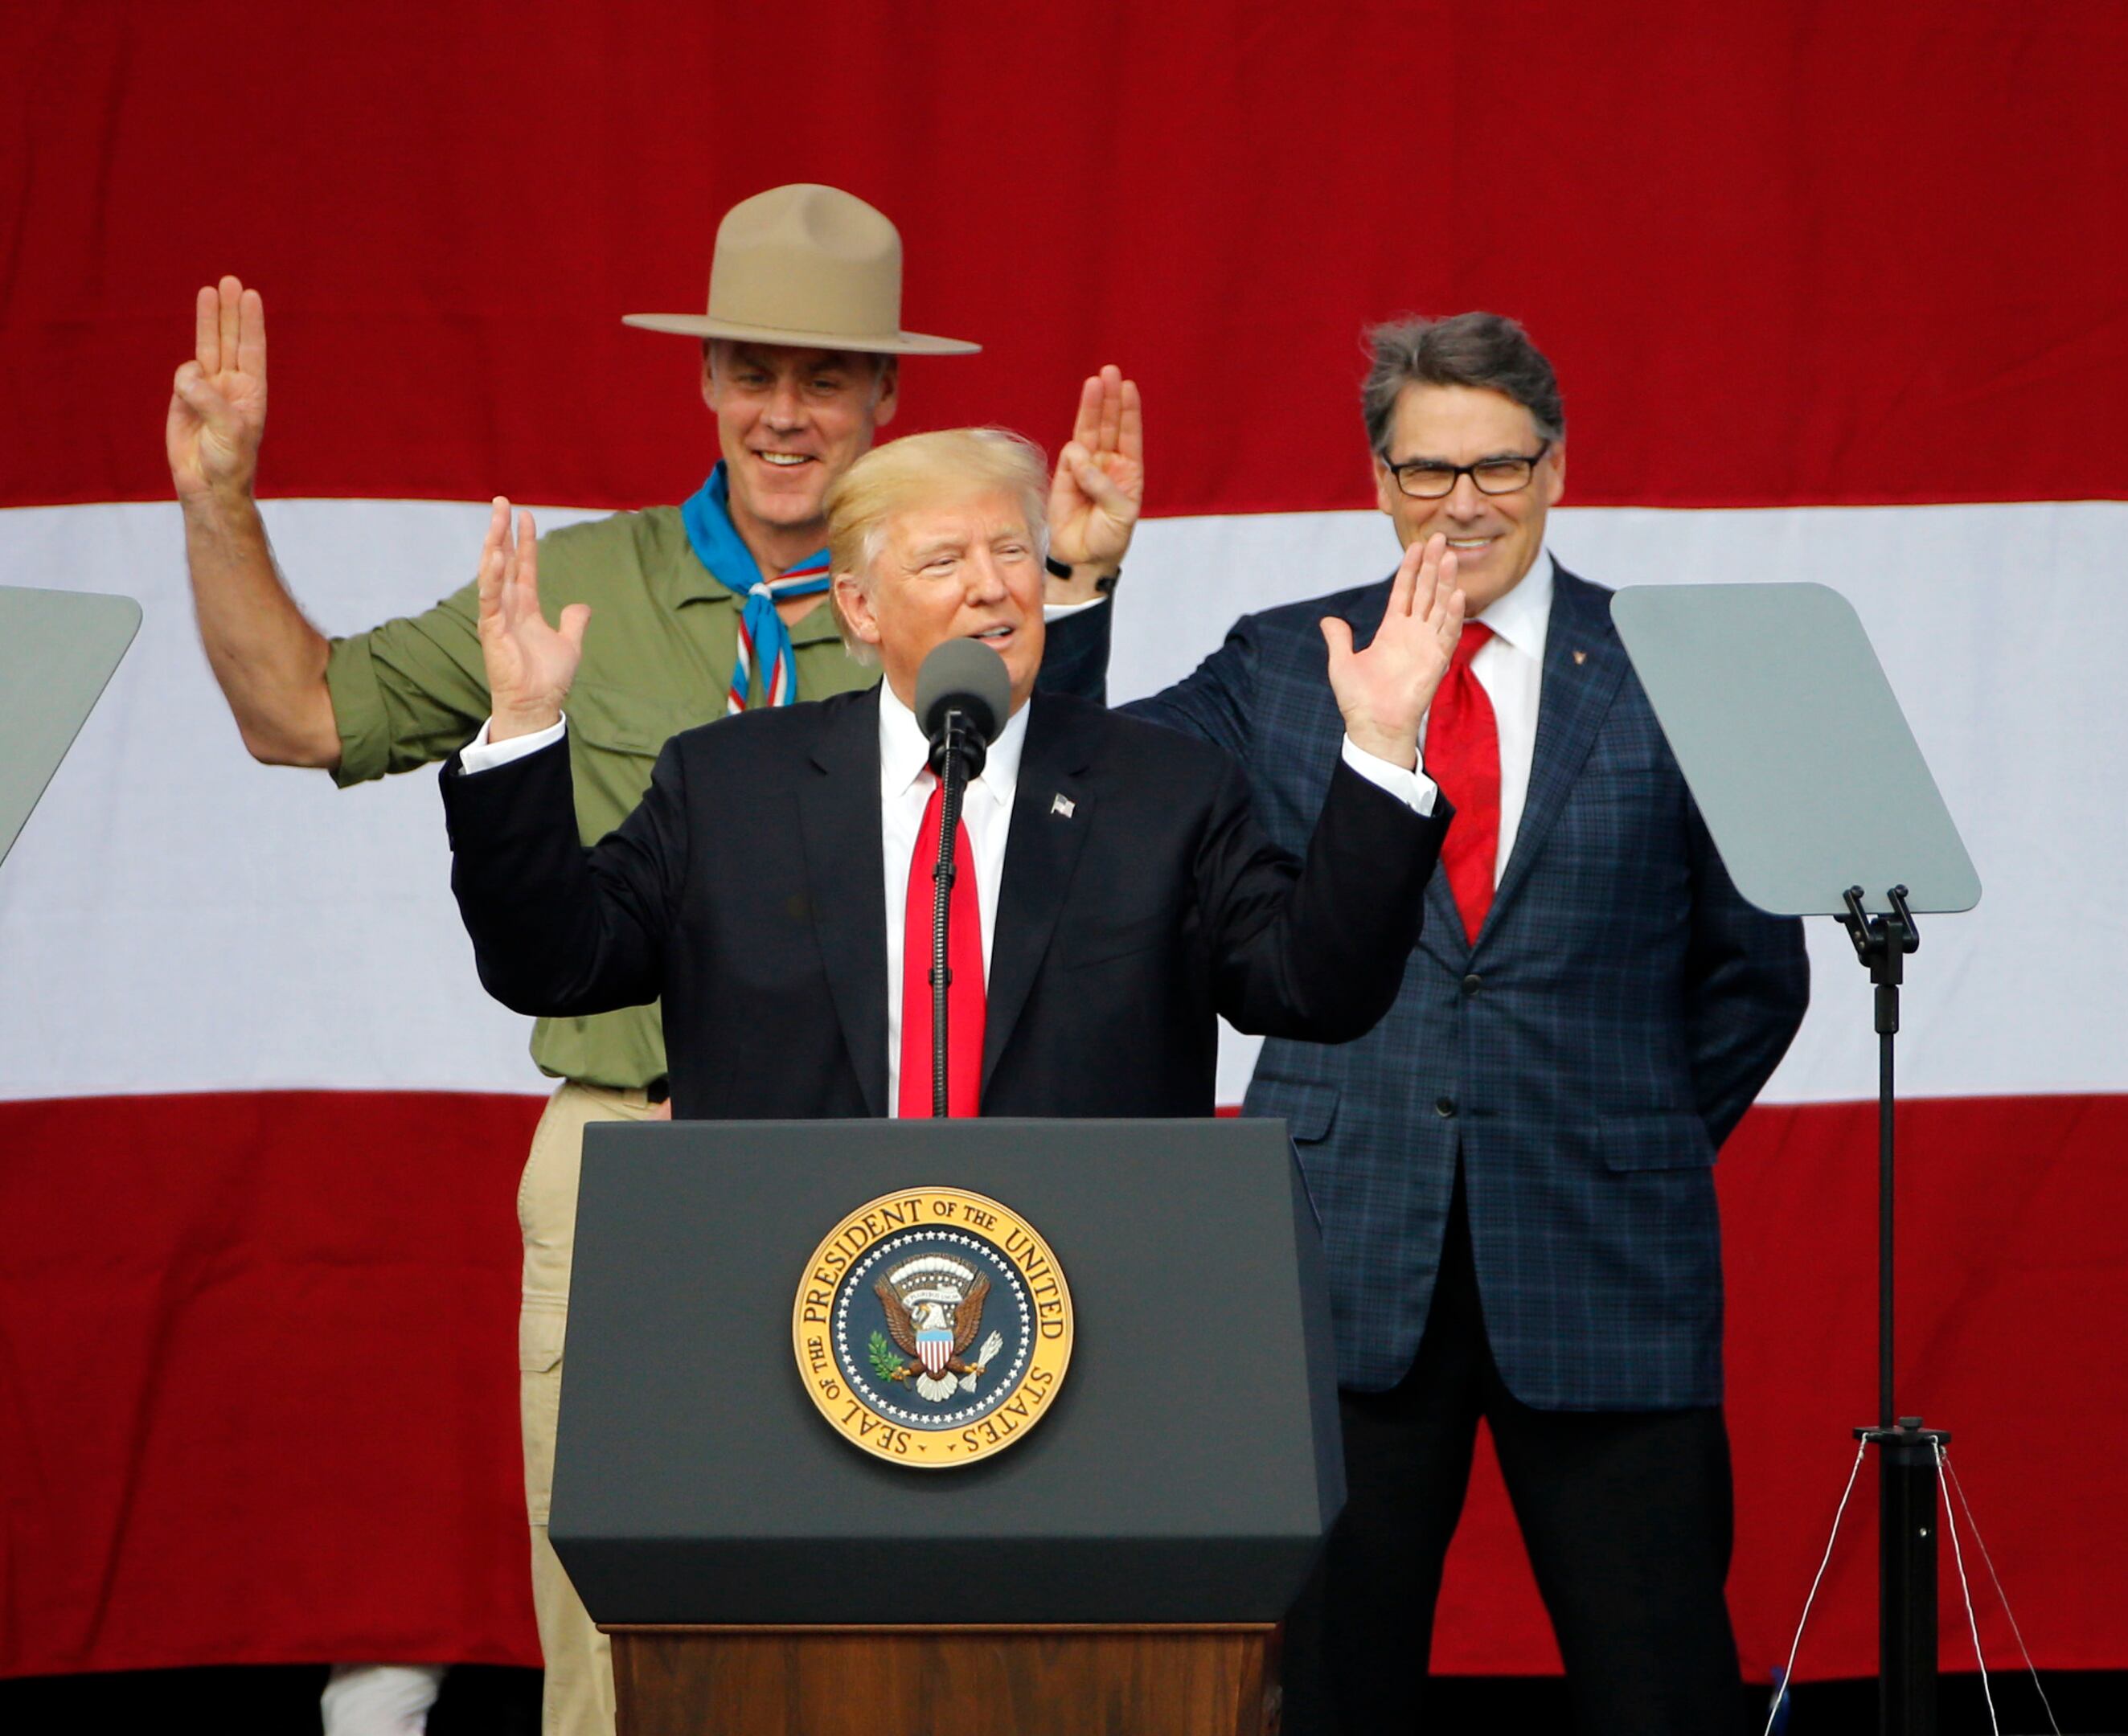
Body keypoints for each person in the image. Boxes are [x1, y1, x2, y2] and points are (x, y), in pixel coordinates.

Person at [163, 184, 1142, 1736]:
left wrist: (1078, 593)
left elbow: (1072, 840)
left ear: (888, 395)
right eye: (753, 370)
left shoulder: (950, 589)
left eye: (828, 378)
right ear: (703, 382)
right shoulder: (586, 590)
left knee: (912, 1632)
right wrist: (220, 499)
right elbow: (301, 715)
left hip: (896, 1173)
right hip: (630, 1150)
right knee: (621, 1643)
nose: (785, 413)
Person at [1043, 313, 1810, 1734]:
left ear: (1559, 468)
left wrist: (1623, 1130)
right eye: (1426, 469)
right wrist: (1082, 579)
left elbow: (1758, 976)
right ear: (1379, 477)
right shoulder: (1284, 664)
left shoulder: (1672, 668)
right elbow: (1077, 791)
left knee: (1664, 1688)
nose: (1463, 503)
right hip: (1337, 1251)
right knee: (1330, 1691)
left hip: (1604, 1254)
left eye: (1499, 469)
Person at [440, 427, 1458, 1130]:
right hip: (795, 1292)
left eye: (1012, 549)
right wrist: (526, 723)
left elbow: (1315, 989)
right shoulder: (727, 787)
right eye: (944, 563)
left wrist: (1378, 745)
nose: (993, 586)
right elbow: (553, 967)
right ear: (861, 606)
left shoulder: (1166, 792)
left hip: (1085, 1295)